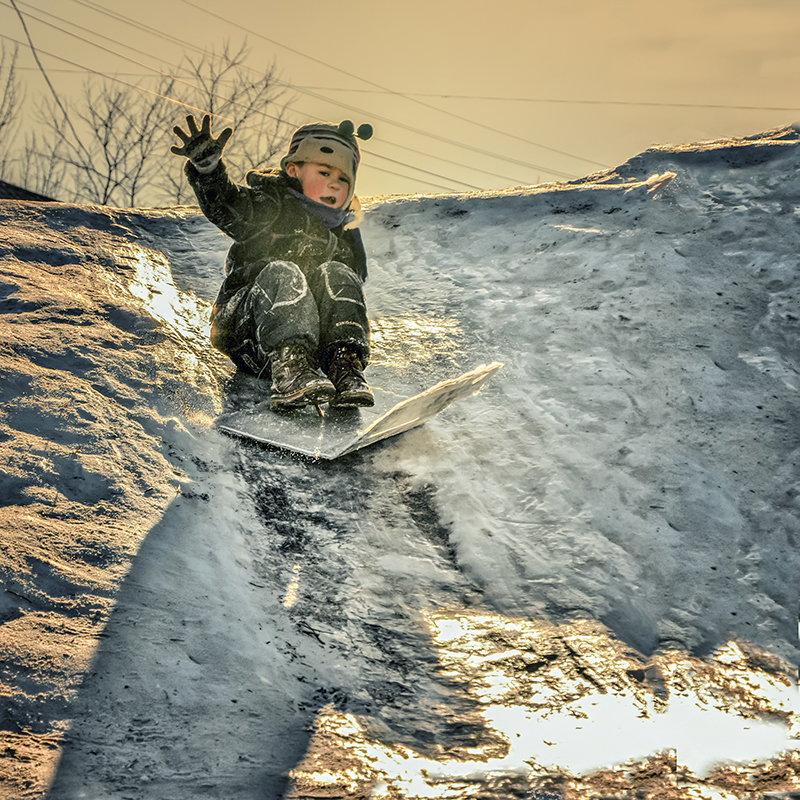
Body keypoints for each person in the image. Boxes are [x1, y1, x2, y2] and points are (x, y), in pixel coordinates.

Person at [171, 114, 375, 409]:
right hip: (248, 330)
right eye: (324, 173)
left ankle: (343, 364)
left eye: (343, 179)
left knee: (338, 273)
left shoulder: (340, 238)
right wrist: (208, 170)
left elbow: (347, 294)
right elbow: (227, 206)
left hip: (312, 348)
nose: (334, 185)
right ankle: (290, 367)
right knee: (284, 272)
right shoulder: (269, 207)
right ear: (293, 170)